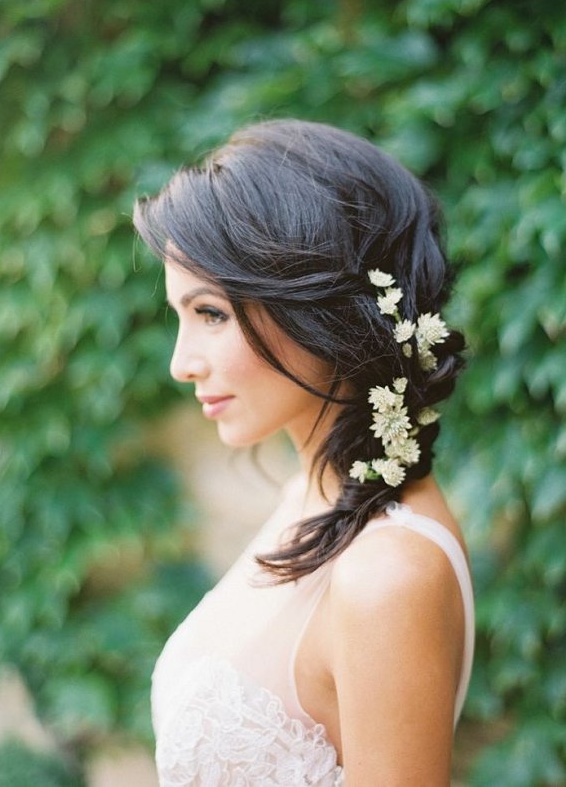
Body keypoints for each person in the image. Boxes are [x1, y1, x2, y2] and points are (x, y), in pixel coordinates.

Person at [133, 118, 475, 786]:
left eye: (210, 314)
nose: (181, 363)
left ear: (317, 304)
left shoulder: (388, 572)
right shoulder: (311, 496)